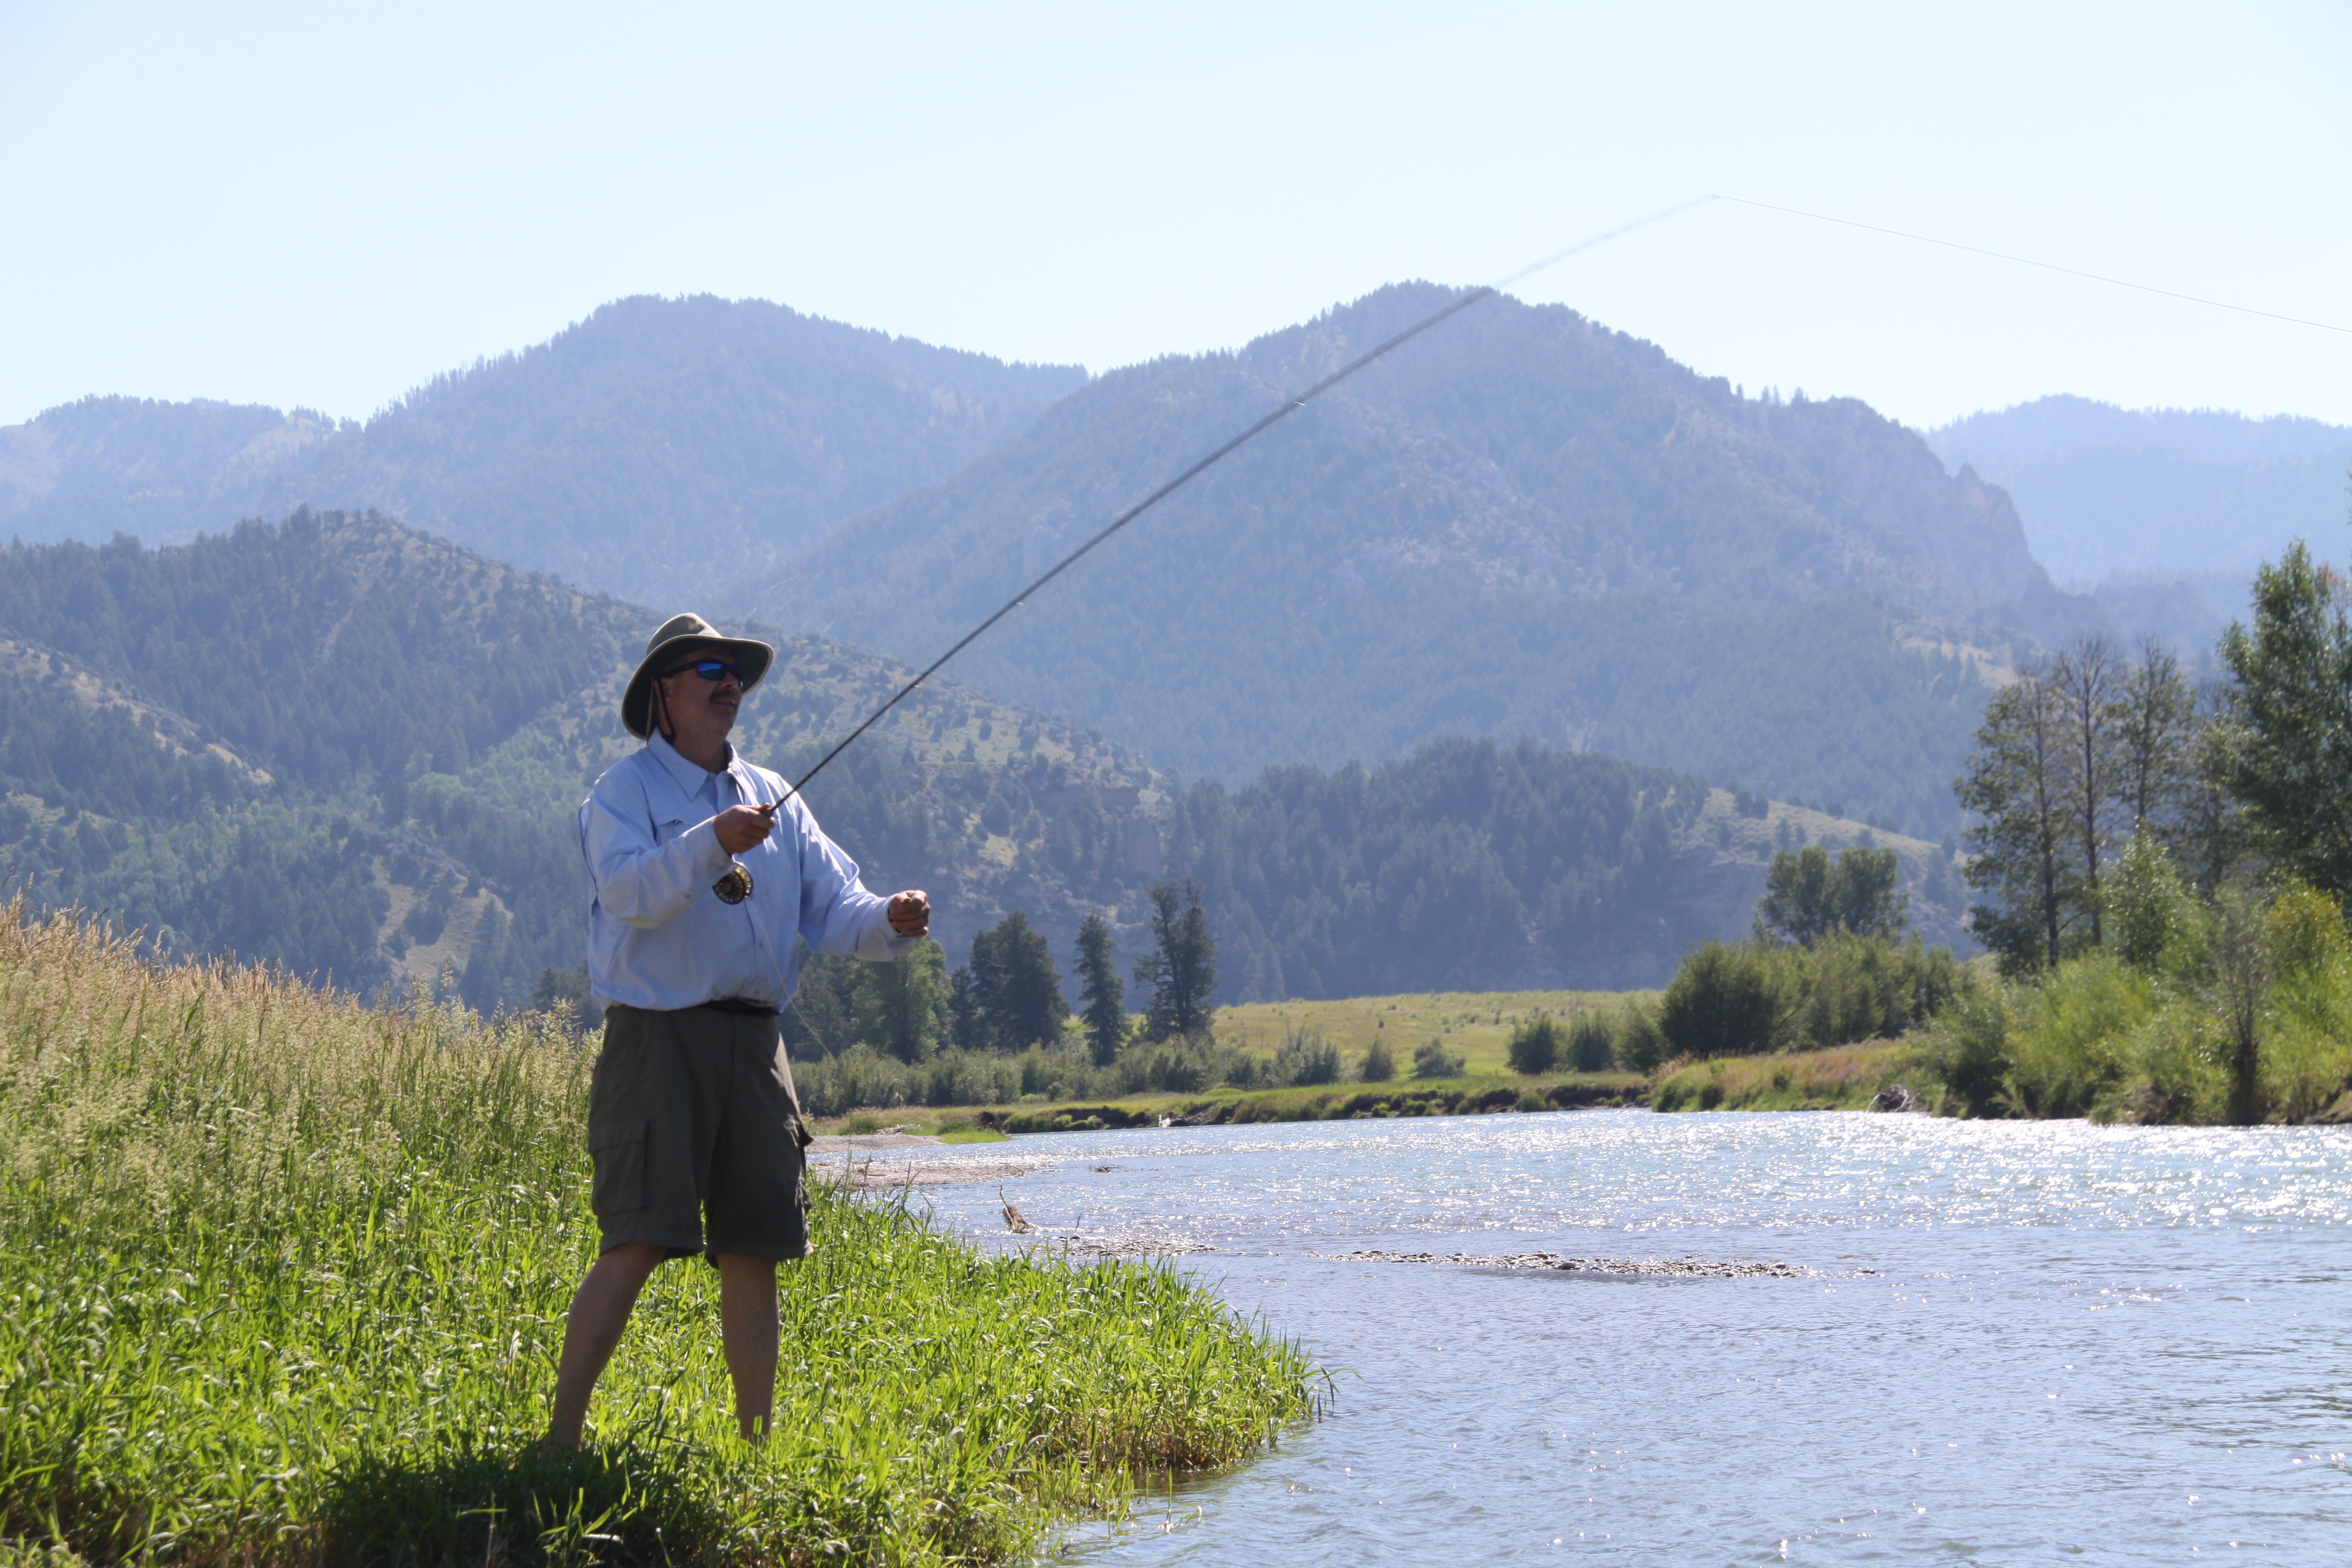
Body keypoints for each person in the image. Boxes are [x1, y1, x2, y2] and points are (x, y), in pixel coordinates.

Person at [547, 612, 930, 1447]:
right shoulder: (621, 796)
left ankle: (754, 1454)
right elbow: (631, 895)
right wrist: (711, 842)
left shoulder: (775, 797)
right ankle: (560, 1441)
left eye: (738, 674)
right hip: (657, 1038)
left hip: (758, 1047)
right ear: (665, 692)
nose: (730, 684)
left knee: (756, 1247)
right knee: (638, 1238)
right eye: (710, 669)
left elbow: (837, 909)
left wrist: (892, 922)